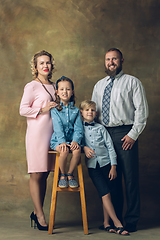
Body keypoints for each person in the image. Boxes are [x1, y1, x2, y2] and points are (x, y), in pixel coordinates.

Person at [91, 48, 149, 232]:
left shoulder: (133, 82)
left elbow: (142, 110)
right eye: (108, 59)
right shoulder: (99, 85)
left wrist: (133, 134)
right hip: (104, 134)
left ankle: (131, 220)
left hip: (125, 133)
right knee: (111, 178)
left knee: (130, 178)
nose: (111, 62)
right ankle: (116, 220)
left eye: (114, 59)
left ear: (121, 60)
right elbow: (92, 112)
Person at [19, 50, 57, 231]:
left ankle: (36, 211)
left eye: (48, 62)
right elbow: (23, 109)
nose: (45, 66)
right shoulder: (31, 86)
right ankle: (40, 214)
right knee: (36, 174)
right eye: (41, 63)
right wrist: (42, 109)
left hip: (53, 136)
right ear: (35, 67)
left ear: (52, 65)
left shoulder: (55, 85)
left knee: (46, 173)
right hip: (36, 136)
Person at [80, 100, 129, 236]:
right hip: (92, 166)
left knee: (108, 193)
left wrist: (113, 166)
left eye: (92, 110)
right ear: (81, 112)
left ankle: (107, 223)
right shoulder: (79, 129)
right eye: (87, 110)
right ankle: (118, 224)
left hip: (106, 164)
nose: (90, 112)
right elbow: (76, 143)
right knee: (105, 193)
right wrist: (84, 148)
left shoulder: (101, 128)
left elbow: (110, 147)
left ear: (95, 113)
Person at [50, 76, 83, 188]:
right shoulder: (55, 110)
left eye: (68, 89)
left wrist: (75, 141)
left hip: (71, 140)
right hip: (59, 140)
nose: (65, 92)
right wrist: (62, 142)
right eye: (62, 89)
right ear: (57, 92)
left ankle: (70, 173)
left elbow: (79, 128)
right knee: (63, 151)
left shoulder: (76, 110)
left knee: (77, 150)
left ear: (72, 92)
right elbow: (57, 128)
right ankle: (62, 174)